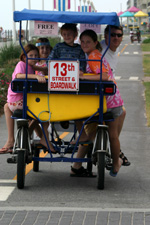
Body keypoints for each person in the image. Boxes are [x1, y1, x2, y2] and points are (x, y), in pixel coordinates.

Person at [70, 29, 125, 177]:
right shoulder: (93, 55)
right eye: (82, 42)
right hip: (113, 100)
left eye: (88, 42)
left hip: (107, 102)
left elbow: (105, 76)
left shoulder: (94, 56)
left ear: (95, 42)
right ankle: (115, 164)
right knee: (113, 136)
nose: (84, 44)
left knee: (76, 111)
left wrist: (83, 77)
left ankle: (82, 140)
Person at [0, 44, 54, 153]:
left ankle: (12, 139)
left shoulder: (30, 66)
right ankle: (43, 138)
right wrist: (36, 76)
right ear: (24, 57)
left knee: (6, 107)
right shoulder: (21, 64)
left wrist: (40, 69)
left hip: (13, 102)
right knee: (44, 111)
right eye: (31, 55)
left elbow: (42, 69)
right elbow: (19, 75)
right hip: (19, 101)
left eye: (35, 55)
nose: (33, 57)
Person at [100, 25, 130, 166]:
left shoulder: (115, 49)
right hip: (98, 92)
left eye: (119, 35)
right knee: (119, 113)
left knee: (122, 112)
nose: (116, 38)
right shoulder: (100, 49)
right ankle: (115, 150)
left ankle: (114, 148)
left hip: (108, 91)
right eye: (113, 35)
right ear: (106, 36)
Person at [48, 23, 86, 129]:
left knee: (75, 98)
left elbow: (83, 62)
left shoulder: (79, 49)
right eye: (64, 34)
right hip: (60, 79)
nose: (66, 36)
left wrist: (80, 70)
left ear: (75, 34)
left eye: (69, 34)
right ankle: (62, 116)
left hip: (74, 80)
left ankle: (72, 116)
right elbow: (49, 61)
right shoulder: (58, 47)